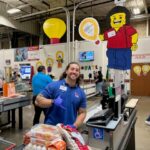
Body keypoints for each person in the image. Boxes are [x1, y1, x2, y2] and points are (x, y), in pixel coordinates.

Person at [35, 62, 87, 128]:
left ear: (79, 74)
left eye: (77, 70)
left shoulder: (81, 93)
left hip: (69, 130)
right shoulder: (54, 86)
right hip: (51, 128)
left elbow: (82, 112)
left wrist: (75, 126)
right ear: (66, 71)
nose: (74, 71)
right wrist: (53, 102)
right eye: (72, 69)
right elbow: (37, 100)